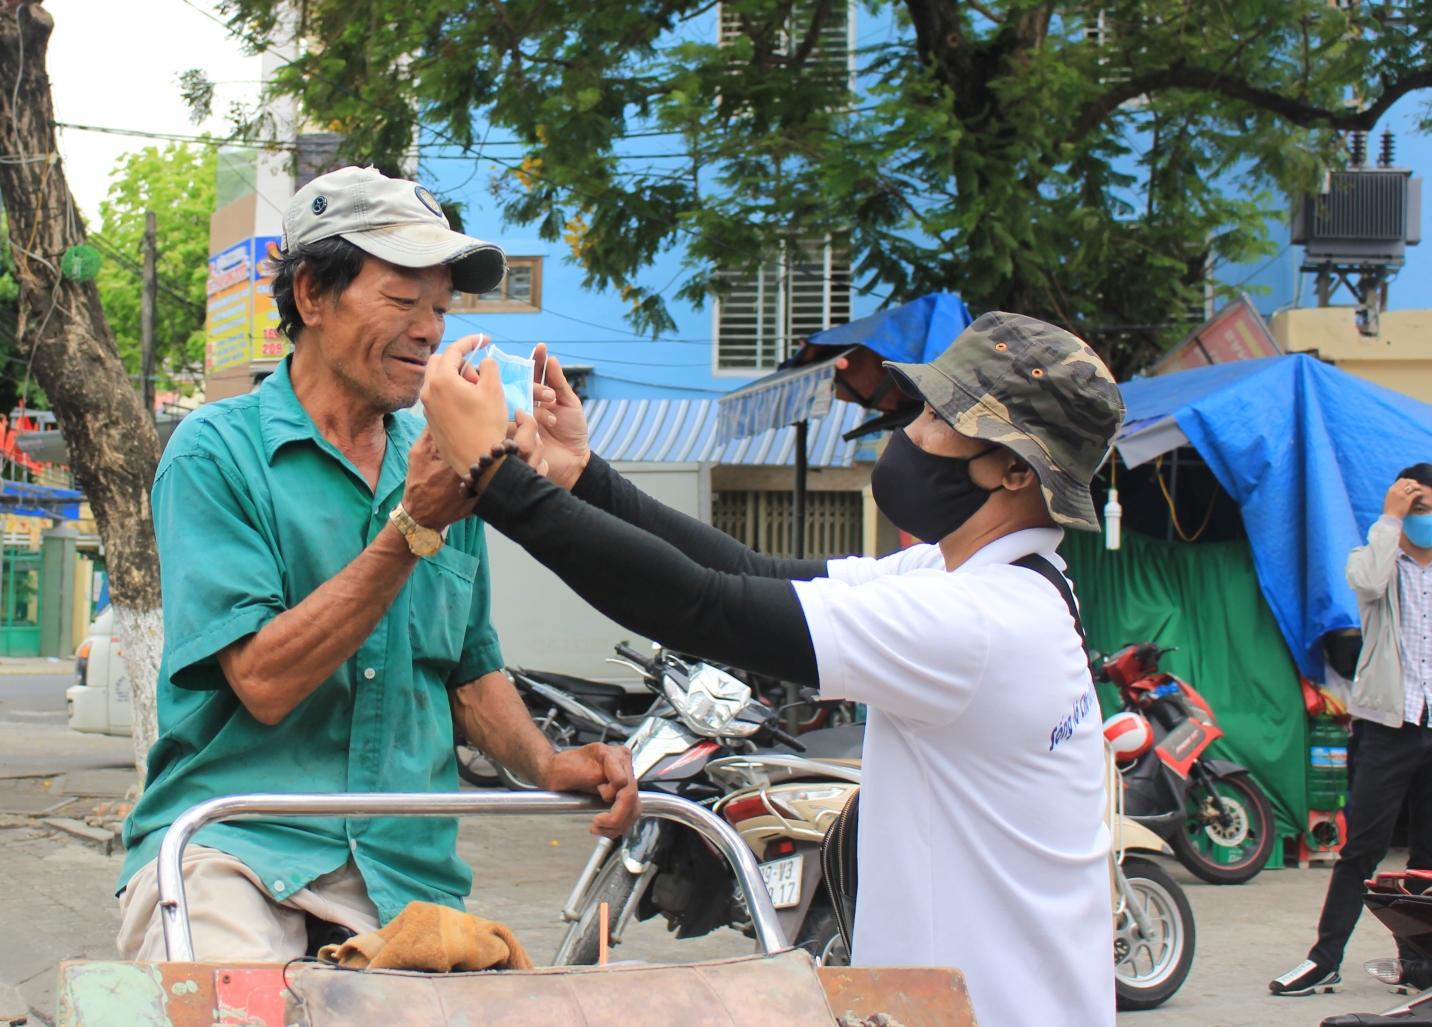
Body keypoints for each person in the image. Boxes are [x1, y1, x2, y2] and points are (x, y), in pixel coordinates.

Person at [419, 312, 1124, 1027]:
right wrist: (579, 475)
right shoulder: (982, 581)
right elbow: (747, 572)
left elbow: (704, 608)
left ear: (1013, 468)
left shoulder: (977, 623)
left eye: (942, 418)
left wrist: (493, 476)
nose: (911, 433)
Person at [114, 167, 638, 964]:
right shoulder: (217, 453)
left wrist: (547, 761)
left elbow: (465, 669)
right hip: (236, 853)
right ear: (313, 296)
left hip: (405, 876)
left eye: (439, 308)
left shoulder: (440, 464)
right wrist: (412, 527)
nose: (429, 330)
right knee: (240, 1006)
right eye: (402, 300)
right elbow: (263, 681)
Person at [1271, 463, 1432, 995]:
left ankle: (1419, 960)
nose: (1423, 517)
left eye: (1429, 507)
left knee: (1429, 859)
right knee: (1361, 850)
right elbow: (1365, 581)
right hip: (1389, 727)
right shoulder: (1376, 562)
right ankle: (1325, 957)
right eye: (1416, 507)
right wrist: (1389, 517)